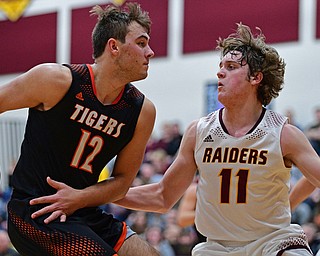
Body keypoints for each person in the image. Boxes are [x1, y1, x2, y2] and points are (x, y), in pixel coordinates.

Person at [115, 23, 320, 255]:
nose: (220, 72)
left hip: (273, 243)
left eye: (231, 67)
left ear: (256, 78)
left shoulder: (283, 134)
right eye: (221, 66)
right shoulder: (199, 131)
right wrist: (97, 193)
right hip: (216, 248)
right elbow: (163, 196)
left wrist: (290, 203)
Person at [0, 2, 160, 256]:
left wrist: (79, 198)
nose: (150, 52)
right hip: (35, 210)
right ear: (114, 47)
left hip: (83, 209)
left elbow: (122, 182)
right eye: (141, 43)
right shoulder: (55, 80)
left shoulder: (142, 111)